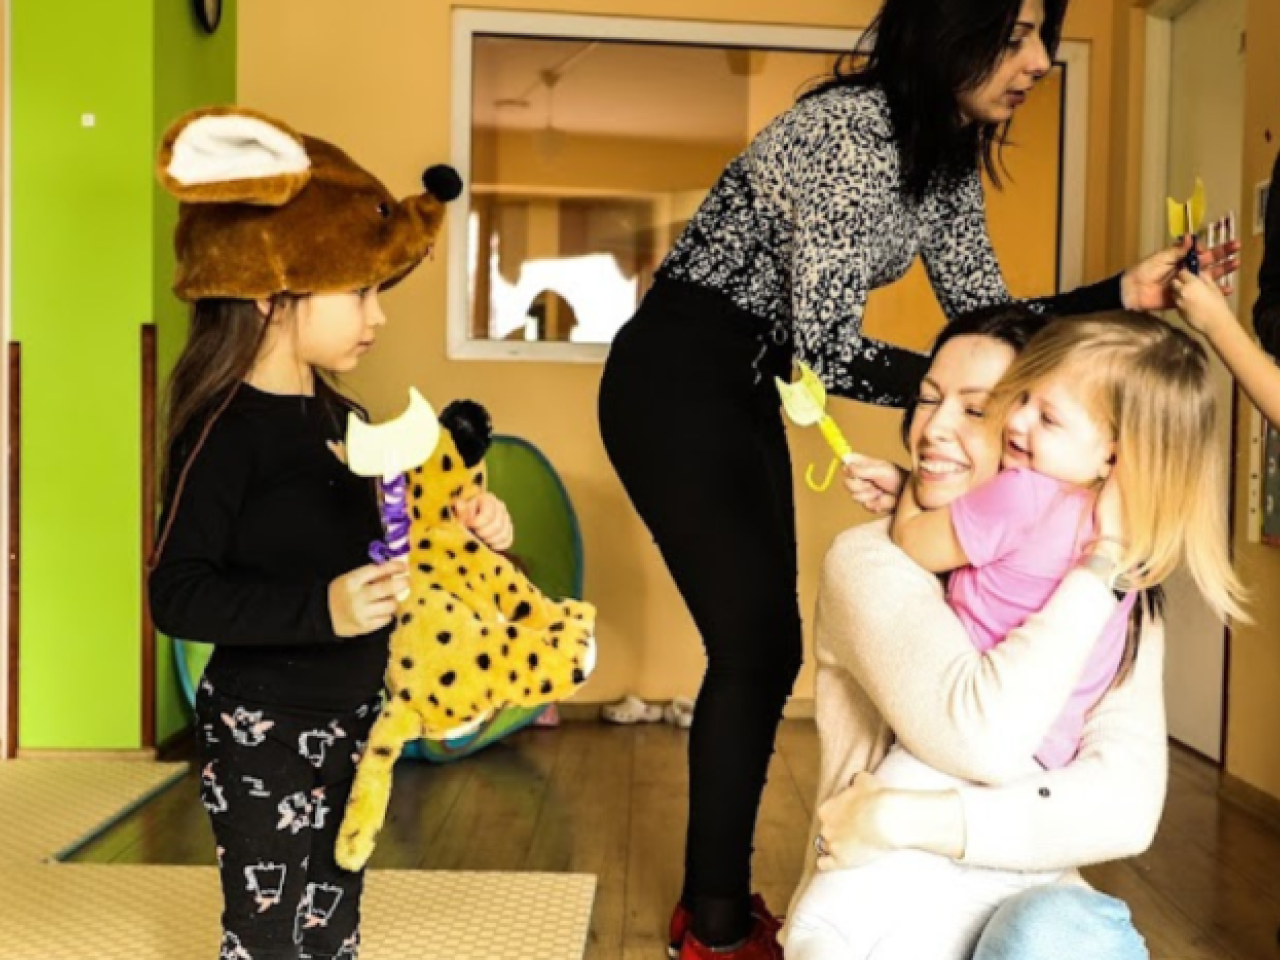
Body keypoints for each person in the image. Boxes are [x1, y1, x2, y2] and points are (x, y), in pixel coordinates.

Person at [596, 0, 1237, 954]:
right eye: (1020, 32)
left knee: (764, 648)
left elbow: (985, 318)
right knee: (756, 647)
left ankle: (720, 901)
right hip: (679, 376)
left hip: (756, 379)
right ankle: (716, 923)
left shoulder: (941, 155)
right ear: (953, 27)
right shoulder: (848, 132)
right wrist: (970, 396)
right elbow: (833, 349)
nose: (1041, 59)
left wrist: (1116, 297)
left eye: (1046, 36)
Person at [148, 107, 511, 960]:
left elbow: (398, 544)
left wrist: (470, 528)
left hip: (357, 719)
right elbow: (178, 592)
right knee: (269, 936)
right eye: (360, 293)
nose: (377, 318)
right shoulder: (223, 431)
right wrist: (325, 610)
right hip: (260, 729)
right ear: (275, 294)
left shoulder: (346, 420)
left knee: (333, 924)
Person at [785, 307, 1243, 958]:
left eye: (979, 409)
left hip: (1014, 884)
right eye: (927, 399)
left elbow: (1128, 806)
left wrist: (899, 817)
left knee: (1066, 932)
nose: (935, 428)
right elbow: (987, 740)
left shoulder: (1117, 584)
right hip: (895, 896)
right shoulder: (868, 561)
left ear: (1111, 451)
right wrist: (1103, 561)